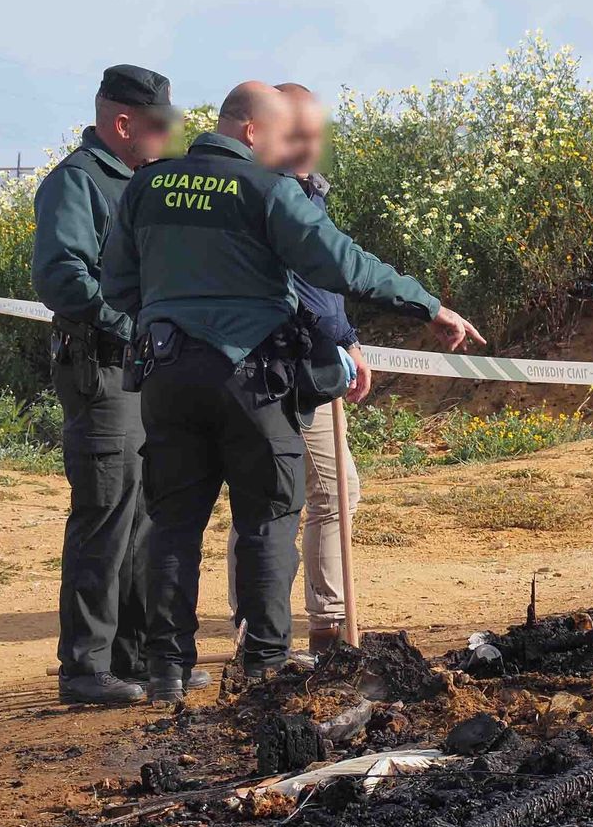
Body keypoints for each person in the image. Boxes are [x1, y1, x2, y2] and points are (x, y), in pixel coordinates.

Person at [102, 81, 485, 702]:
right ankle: (265, 666)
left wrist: (170, 319)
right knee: (268, 518)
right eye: (280, 138)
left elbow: (118, 285)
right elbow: (342, 264)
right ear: (252, 131)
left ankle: (166, 669)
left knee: (174, 523)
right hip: (252, 380)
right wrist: (428, 305)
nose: (286, 152)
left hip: (167, 377)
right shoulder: (266, 189)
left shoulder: (146, 185)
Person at [31, 64, 189, 705]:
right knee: (105, 512)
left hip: (144, 369)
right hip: (104, 367)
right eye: (158, 124)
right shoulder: (77, 181)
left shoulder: (140, 180)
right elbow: (62, 276)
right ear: (122, 123)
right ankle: (85, 667)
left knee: (146, 513)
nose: (168, 135)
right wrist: (133, 324)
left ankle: (136, 657)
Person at [225, 83, 368, 657]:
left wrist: (347, 339)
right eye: (298, 134)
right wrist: (341, 342)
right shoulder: (272, 193)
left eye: (315, 134)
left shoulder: (307, 190)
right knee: (311, 492)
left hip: (309, 362)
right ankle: (317, 626)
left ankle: (268, 622)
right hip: (283, 368)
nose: (309, 146)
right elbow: (304, 286)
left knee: (274, 493)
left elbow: (328, 279)